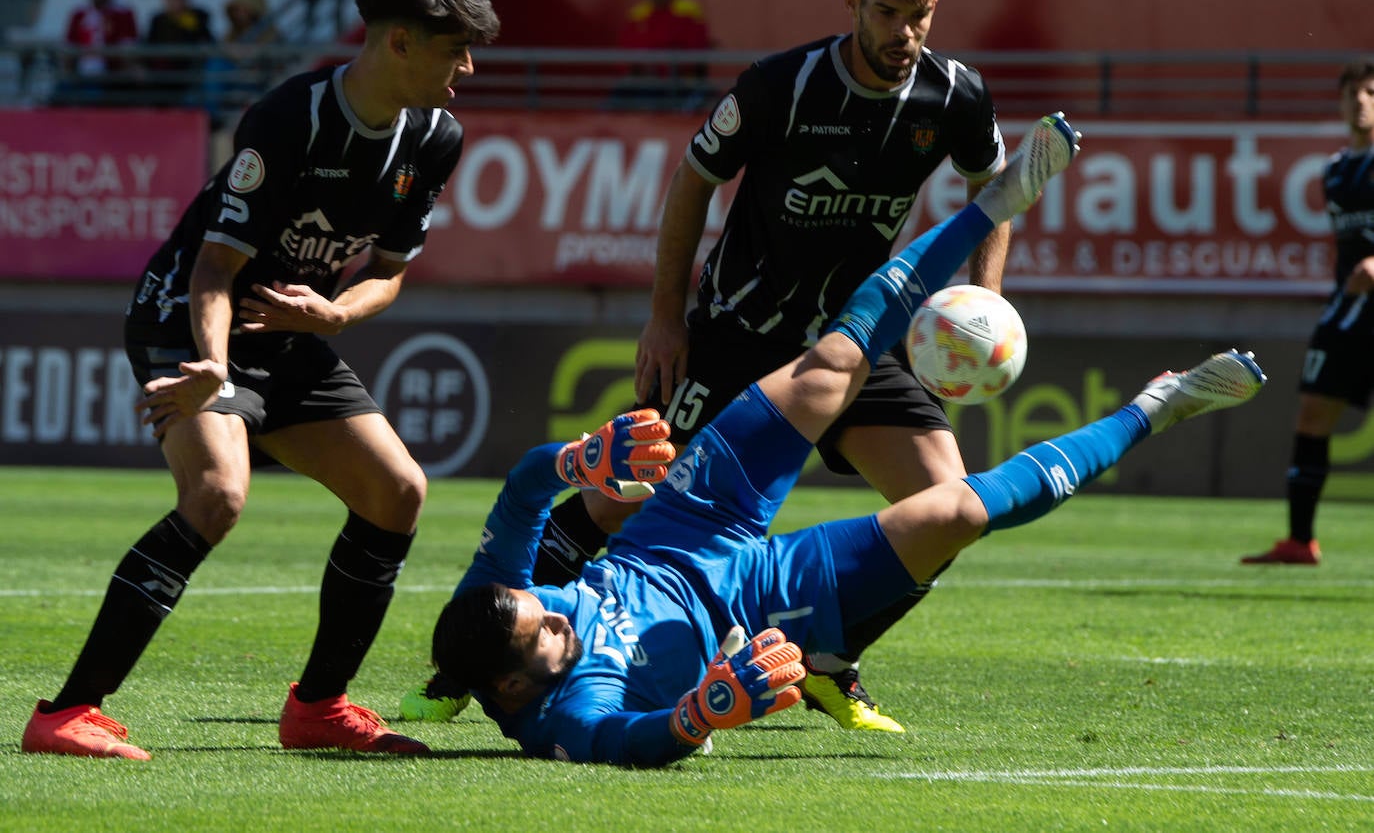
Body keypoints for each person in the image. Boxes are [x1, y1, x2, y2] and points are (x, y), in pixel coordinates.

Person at [426, 114, 1268, 766]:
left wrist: (579, 463)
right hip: (751, 602)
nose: (559, 608)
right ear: (510, 684)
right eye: (550, 633)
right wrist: (701, 713)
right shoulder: (560, 718)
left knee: (832, 361)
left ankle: (995, 200)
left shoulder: (492, 603)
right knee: (958, 513)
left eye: (547, 606)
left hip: (676, 527)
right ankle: (1160, 405)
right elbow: (632, 744)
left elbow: (525, 492)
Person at [444, 0, 1011, 735]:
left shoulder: (954, 93)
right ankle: (470, 666)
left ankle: (824, 661)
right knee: (615, 500)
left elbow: (993, 187)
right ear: (852, 2)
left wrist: (981, 304)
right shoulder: (779, 86)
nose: (905, 34)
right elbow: (693, 182)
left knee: (948, 505)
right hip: (736, 334)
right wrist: (666, 317)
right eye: (888, 13)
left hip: (852, 342)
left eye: (921, 15)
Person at [20, 0, 500, 761]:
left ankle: (317, 708)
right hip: (189, 318)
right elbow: (213, 267)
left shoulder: (436, 137)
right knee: (216, 494)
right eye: (456, 48)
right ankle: (64, 715)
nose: (468, 68)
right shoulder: (290, 119)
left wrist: (335, 313)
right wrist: (210, 365)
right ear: (398, 44)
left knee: (398, 493)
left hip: (289, 330)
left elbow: (387, 275)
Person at [1242, 58, 1374, 566]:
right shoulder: (1337, 171)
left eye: (1368, 92)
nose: (1359, 102)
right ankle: (1300, 540)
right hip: (1347, 310)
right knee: (1313, 412)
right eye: (1350, 94)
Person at [610, 0, 713, 111]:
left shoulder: (688, 12)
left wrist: (659, 68)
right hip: (643, 83)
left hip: (678, 84)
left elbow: (695, 55)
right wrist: (639, 69)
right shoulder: (637, 15)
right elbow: (624, 59)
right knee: (614, 101)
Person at [56, 0, 141, 105]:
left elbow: (128, 51)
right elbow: (69, 46)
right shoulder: (79, 13)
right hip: (81, 75)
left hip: (110, 77)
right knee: (58, 93)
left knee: (94, 94)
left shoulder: (123, 12)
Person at [144, 0, 216, 106]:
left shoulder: (198, 16)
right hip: (162, 77)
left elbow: (207, 41)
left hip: (191, 73)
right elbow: (149, 47)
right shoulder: (157, 20)